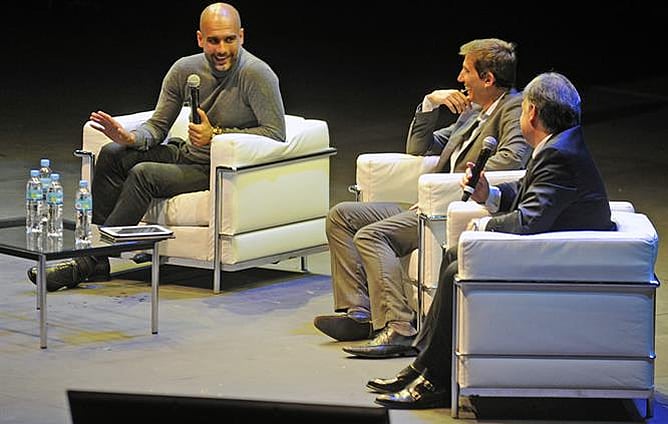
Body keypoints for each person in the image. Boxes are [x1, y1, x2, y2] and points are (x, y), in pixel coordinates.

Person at [369, 71, 617, 409]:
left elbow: (529, 220)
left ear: (531, 113)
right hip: (557, 250)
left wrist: (482, 228)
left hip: (560, 262)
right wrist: (491, 193)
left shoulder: (558, 154)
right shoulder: (560, 145)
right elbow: (533, 196)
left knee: (458, 261)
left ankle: (432, 378)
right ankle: (425, 368)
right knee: (454, 257)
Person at [27, 2, 286, 291]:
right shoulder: (185, 70)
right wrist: (130, 138)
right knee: (112, 154)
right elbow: (158, 125)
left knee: (144, 174)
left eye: (229, 39)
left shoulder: (256, 74)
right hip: (186, 154)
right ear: (200, 39)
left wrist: (218, 135)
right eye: (213, 40)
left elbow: (275, 134)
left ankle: (88, 261)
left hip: (214, 169)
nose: (222, 49)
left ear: (242, 36)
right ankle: (97, 258)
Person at [314, 39, 531, 358]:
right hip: (428, 201)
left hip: (450, 208)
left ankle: (399, 328)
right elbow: (419, 148)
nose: (459, 78)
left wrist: (454, 182)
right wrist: (430, 103)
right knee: (343, 216)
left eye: (466, 71)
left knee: (373, 235)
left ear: (487, 79)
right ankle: (361, 314)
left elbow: (513, 158)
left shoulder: (512, 108)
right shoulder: (474, 113)